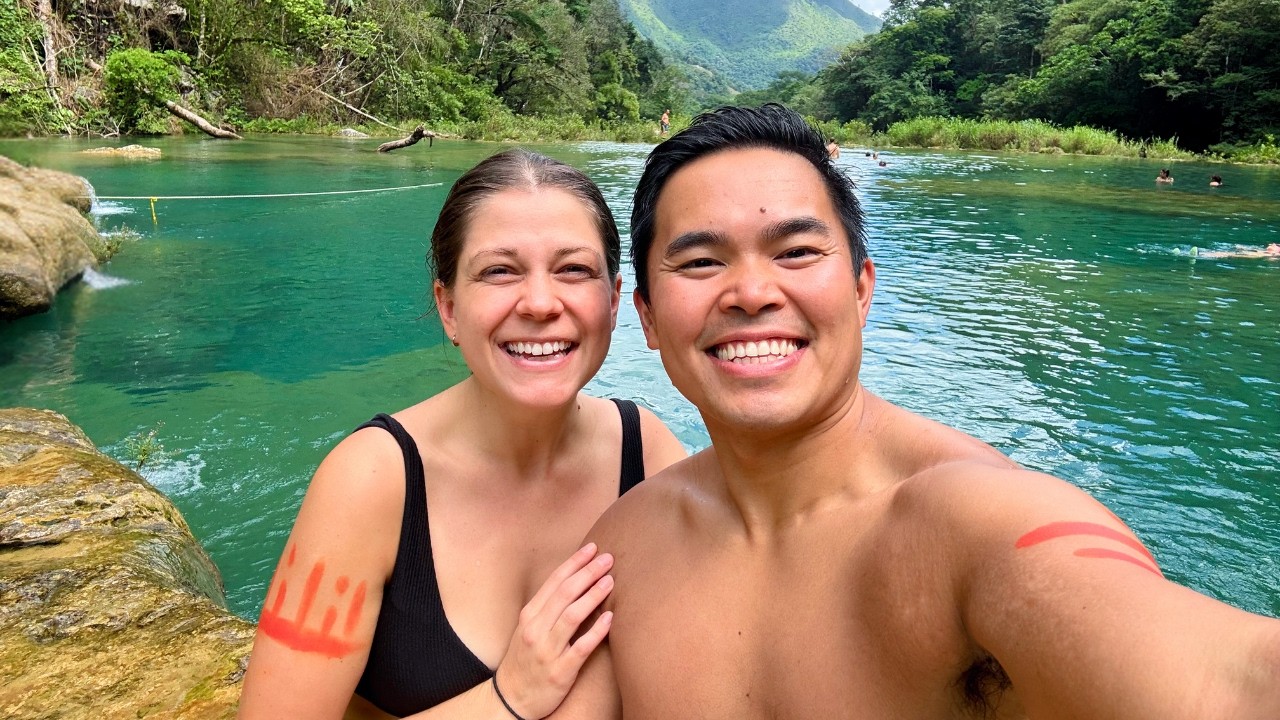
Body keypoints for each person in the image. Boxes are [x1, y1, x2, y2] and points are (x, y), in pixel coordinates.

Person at [551, 104, 1280, 719]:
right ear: (644, 315)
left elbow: (1231, 679)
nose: (750, 292)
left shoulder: (970, 528)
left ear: (863, 290)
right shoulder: (627, 549)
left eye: (797, 251)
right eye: (702, 262)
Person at [238, 149, 686, 720]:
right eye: (499, 271)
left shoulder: (646, 452)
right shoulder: (372, 482)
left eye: (574, 269)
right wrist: (510, 697)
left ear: (616, 298)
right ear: (448, 307)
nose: (542, 303)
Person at [1195, 242, 1280, 259]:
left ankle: (1205, 254)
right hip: (1258, 252)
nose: (1272, 244)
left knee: (1230, 254)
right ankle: (1204, 253)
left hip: (1258, 255)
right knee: (1231, 253)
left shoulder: (1270, 254)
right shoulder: (1263, 251)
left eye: (1275, 245)